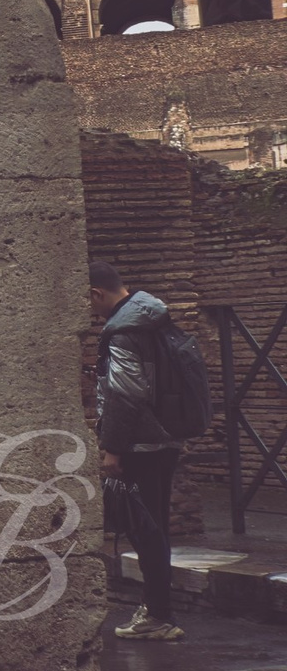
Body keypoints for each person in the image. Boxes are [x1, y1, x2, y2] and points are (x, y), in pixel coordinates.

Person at [94, 259, 187, 642]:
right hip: (164, 438)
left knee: (144, 529)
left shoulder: (123, 331)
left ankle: (159, 616)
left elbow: (125, 395)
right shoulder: (152, 318)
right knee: (155, 528)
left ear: (95, 293)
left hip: (139, 445)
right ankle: (157, 610)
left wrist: (113, 449)